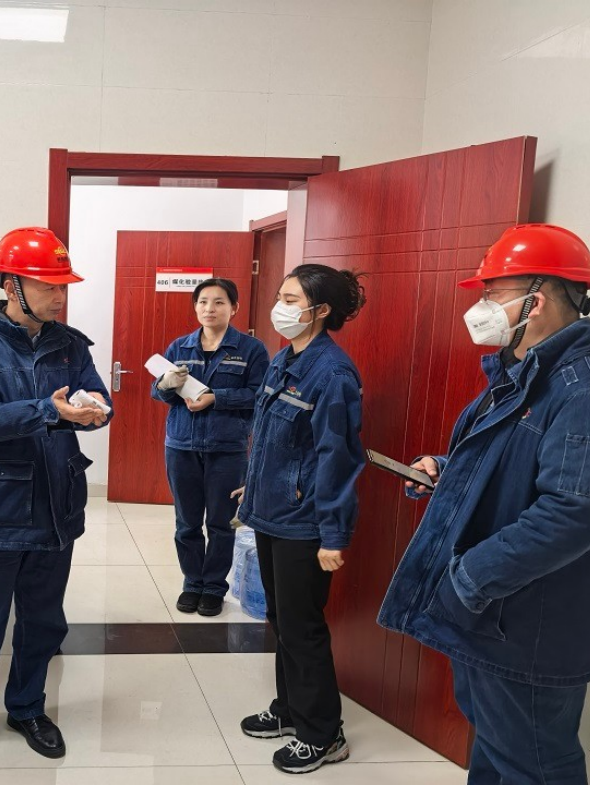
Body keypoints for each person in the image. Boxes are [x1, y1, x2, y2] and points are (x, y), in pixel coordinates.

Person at [378, 224, 590, 785]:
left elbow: (576, 511)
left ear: (538, 298)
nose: (480, 307)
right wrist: (447, 470)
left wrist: (468, 579)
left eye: (492, 293)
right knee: (498, 752)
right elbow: (513, 461)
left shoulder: (588, 392)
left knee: (534, 765)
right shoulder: (527, 373)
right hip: (493, 617)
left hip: (525, 627)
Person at [0, 227, 112, 766]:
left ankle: (28, 707)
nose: (60, 297)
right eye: (48, 286)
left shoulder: (70, 344)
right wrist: (49, 410)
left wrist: (95, 408)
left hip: (57, 504)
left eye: (63, 287)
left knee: (43, 620)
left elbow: (95, 395)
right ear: (11, 285)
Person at [234, 264, 367, 774]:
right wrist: (255, 487)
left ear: (321, 310)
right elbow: (276, 441)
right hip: (273, 512)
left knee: (302, 626)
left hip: (305, 522)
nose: (280, 307)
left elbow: (337, 459)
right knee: (281, 620)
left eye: (292, 299)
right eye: (281, 296)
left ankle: (323, 734)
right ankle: (290, 710)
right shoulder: (284, 358)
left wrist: (332, 535)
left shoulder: (333, 374)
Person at [152, 278, 268, 616]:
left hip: (227, 449)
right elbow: (158, 393)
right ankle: (192, 582)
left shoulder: (251, 350)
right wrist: (165, 384)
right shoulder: (180, 347)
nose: (209, 309)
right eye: (203, 302)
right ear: (195, 307)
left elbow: (259, 395)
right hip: (181, 446)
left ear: (234, 308)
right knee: (186, 522)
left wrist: (216, 398)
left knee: (220, 523)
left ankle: (214, 587)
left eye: (219, 302)